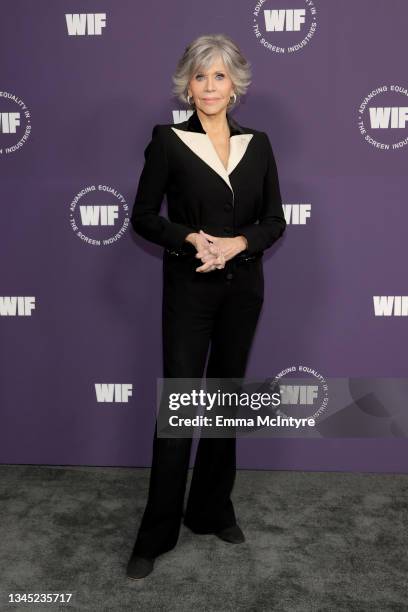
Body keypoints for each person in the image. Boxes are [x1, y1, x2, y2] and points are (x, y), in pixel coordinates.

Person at [126, 33, 286, 579]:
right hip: (190, 288)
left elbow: (274, 221)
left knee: (225, 402)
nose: (210, 86)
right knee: (180, 407)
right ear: (187, 85)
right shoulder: (168, 141)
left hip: (244, 288)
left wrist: (239, 244)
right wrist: (193, 239)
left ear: (235, 84)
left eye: (219, 76)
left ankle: (213, 508)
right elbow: (144, 216)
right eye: (200, 76)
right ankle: (155, 534)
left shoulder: (258, 145)